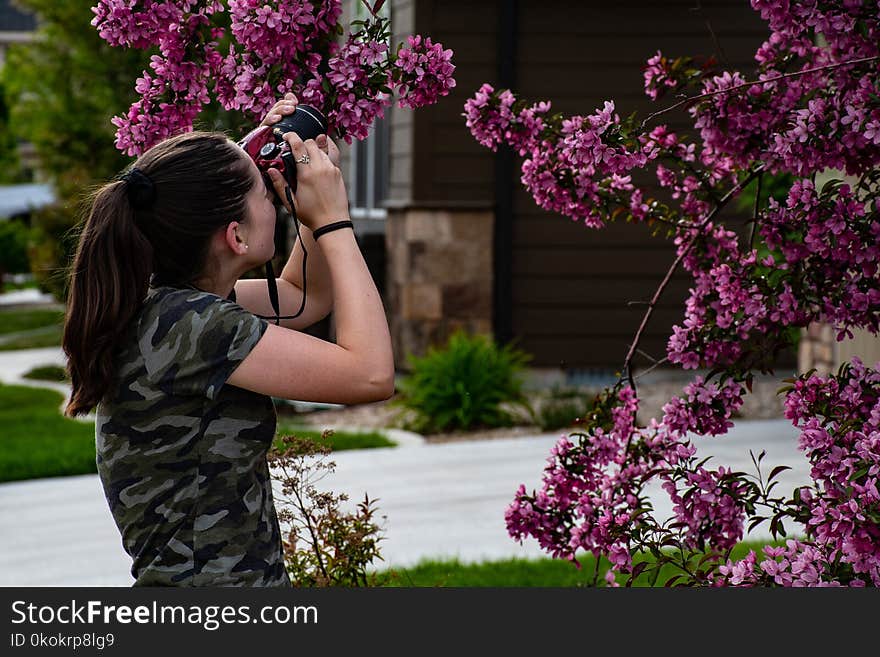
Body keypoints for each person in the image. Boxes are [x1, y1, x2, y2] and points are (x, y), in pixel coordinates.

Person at [62, 94, 394, 587]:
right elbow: (370, 374)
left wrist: (311, 204)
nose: (271, 194)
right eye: (263, 191)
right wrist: (334, 222)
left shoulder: (168, 309)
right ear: (236, 237)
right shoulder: (193, 325)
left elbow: (303, 294)